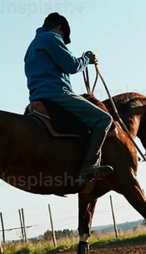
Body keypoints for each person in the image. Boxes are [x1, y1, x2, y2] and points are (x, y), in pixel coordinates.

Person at [24, 12, 114, 187]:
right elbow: (71, 66)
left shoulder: (31, 47)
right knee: (105, 119)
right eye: (63, 36)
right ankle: (90, 166)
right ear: (59, 28)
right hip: (56, 92)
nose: (62, 39)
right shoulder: (51, 37)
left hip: (37, 96)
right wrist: (86, 59)